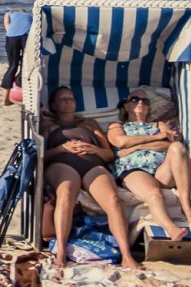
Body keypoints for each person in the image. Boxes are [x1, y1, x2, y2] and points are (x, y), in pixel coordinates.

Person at [41, 86, 140, 272]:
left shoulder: (89, 124)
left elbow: (109, 154)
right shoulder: (48, 126)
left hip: (93, 165)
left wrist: (94, 150)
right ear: (53, 104)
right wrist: (62, 149)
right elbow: (42, 156)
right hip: (63, 163)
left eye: (71, 98)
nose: (68, 101)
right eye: (62, 99)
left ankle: (127, 255)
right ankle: (61, 252)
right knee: (66, 192)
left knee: (113, 200)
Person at [108, 87, 191, 240]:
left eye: (145, 101)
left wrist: (137, 146)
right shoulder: (118, 126)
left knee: (177, 148)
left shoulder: (159, 125)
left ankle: (186, 206)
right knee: (154, 193)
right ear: (125, 106)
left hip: (162, 171)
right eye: (134, 99)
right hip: (133, 169)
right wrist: (157, 138)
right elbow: (120, 141)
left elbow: (169, 145)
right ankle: (171, 228)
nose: (140, 103)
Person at [0, 9, 32, 105]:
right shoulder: (30, 15)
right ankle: (21, 86)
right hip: (27, 36)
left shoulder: (9, 13)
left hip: (12, 37)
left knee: (12, 66)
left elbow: (7, 26)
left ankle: (5, 99)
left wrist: (12, 33)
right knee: (26, 65)